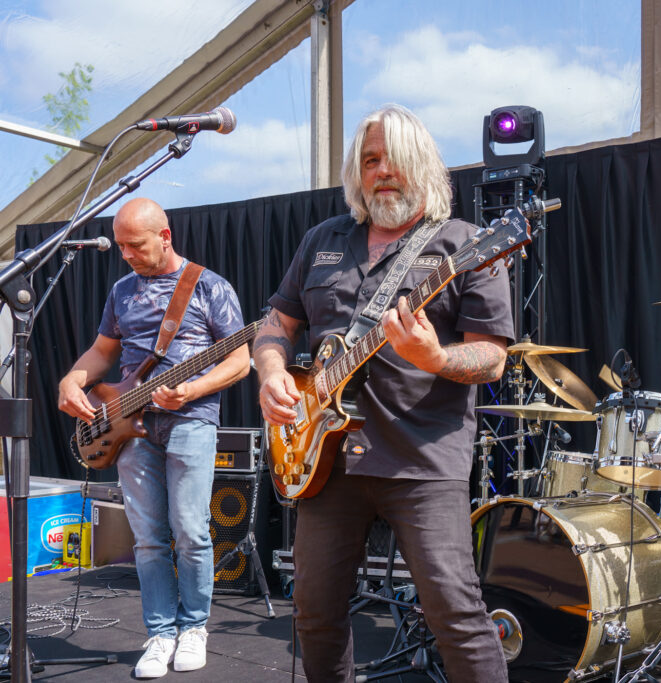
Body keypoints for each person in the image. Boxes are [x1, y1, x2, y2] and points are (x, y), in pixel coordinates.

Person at [254, 104, 513, 681]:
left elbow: (492, 356)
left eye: (394, 158)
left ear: (422, 164)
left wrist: (437, 357)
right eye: (370, 160)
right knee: (314, 613)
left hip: (422, 460)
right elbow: (276, 321)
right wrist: (272, 373)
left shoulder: (466, 245)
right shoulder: (323, 240)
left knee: (456, 618)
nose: (381, 170)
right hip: (325, 462)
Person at [57, 197, 250, 679]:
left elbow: (240, 359)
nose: (126, 254)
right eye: (120, 246)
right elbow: (103, 352)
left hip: (191, 419)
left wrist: (194, 387)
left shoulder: (210, 286)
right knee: (147, 538)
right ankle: (161, 632)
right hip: (127, 424)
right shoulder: (122, 289)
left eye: (135, 245)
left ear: (165, 237)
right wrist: (72, 379)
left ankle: (195, 627)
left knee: (190, 529)